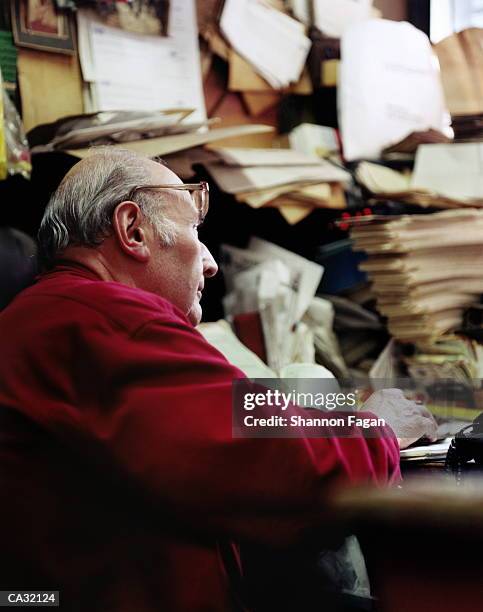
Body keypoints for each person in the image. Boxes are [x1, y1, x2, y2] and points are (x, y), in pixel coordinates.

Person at [0, 149, 432, 612]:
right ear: (132, 230)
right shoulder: (106, 323)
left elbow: (241, 419)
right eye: (193, 230)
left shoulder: (51, 317)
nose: (210, 263)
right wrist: (376, 428)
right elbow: (283, 464)